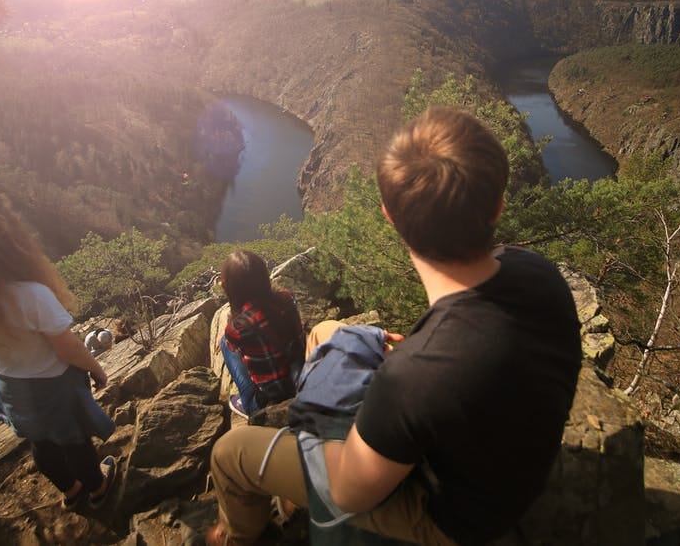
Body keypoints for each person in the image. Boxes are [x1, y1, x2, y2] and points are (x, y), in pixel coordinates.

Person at [207, 107, 583, 545]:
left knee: (229, 454)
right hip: (505, 458)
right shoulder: (539, 273)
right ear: (498, 204)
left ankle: (241, 536)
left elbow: (348, 490)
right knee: (326, 332)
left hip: (455, 521)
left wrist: (317, 435)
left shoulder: (416, 378)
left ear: (390, 217)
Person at [0, 190, 118, 511]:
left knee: (41, 442)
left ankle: (71, 490)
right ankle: (98, 488)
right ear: (9, 240)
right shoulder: (31, 295)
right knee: (75, 441)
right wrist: (96, 368)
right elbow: (68, 348)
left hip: (8, 385)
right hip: (54, 385)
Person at [218, 250, 304, 418]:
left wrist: (228, 333)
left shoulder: (238, 328)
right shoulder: (287, 298)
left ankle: (249, 404)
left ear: (229, 287)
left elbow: (238, 345)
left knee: (225, 345)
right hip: (297, 382)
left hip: (266, 401)